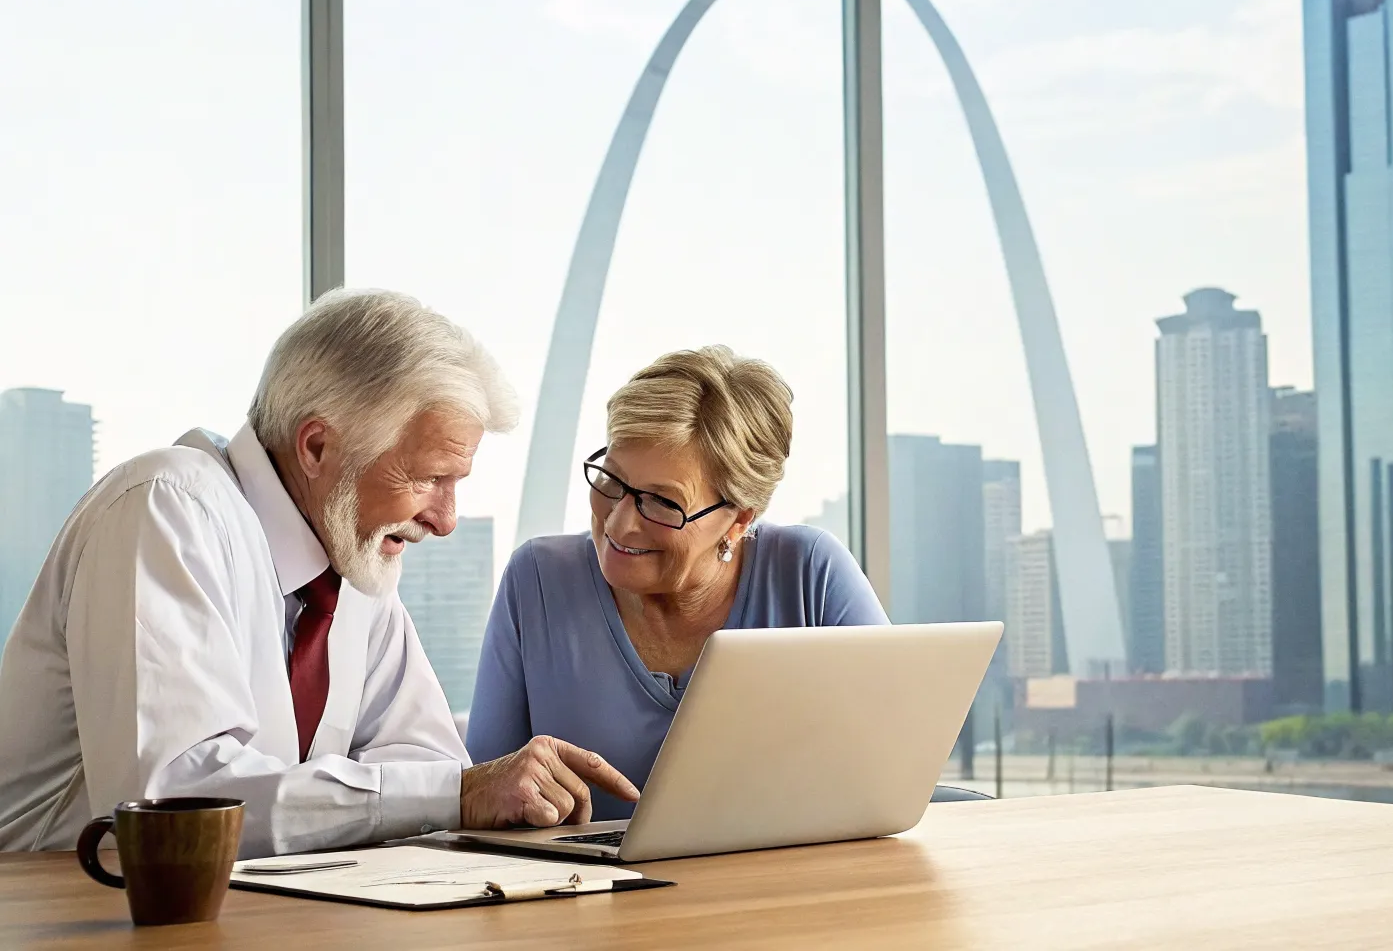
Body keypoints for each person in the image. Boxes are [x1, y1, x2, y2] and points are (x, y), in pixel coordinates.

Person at [0, 289, 639, 856]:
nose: (444, 521)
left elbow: (426, 764)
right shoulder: (168, 507)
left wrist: (445, 793)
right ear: (316, 447)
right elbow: (179, 803)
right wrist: (445, 794)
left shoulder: (353, 555)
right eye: (427, 478)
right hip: (64, 908)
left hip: (256, 912)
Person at [465, 347, 888, 821]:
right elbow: (485, 792)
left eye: (663, 503)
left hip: (784, 882)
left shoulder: (812, 574)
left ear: (739, 518)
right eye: (612, 481)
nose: (620, 523)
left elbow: (892, 771)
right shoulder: (537, 581)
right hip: (586, 891)